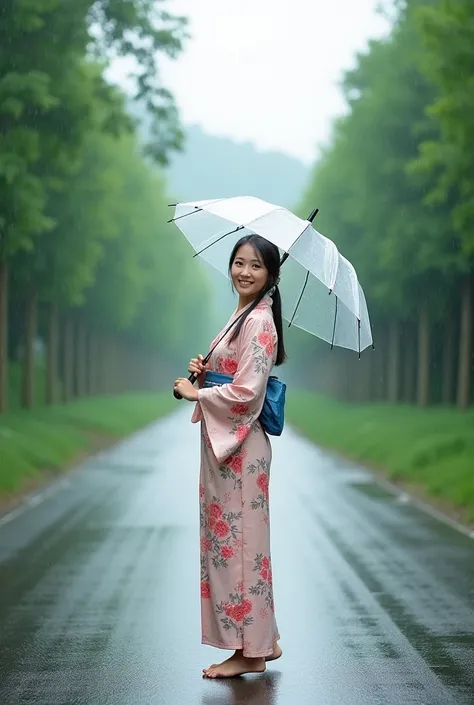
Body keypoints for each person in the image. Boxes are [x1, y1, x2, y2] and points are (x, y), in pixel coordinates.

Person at [173, 234, 286, 679]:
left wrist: (198, 391)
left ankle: (249, 652)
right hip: (230, 451)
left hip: (240, 450)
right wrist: (208, 367)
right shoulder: (245, 315)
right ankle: (264, 639)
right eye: (238, 263)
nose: (244, 272)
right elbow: (235, 372)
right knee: (241, 548)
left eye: (255, 266)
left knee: (240, 550)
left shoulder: (259, 321)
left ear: (271, 275)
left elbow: (246, 391)